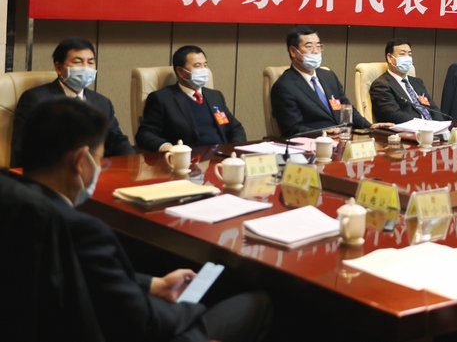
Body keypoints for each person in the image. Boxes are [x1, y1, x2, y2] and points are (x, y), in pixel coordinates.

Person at [16, 97, 271, 342]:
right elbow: (145, 322)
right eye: (101, 160)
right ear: (81, 162)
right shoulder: (84, 231)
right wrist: (194, 309)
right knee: (257, 302)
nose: (100, 167)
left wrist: (152, 284)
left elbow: (89, 273)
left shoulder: (15, 203)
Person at [12, 37, 134, 165]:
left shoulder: (102, 102)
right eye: (78, 62)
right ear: (58, 68)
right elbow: (23, 148)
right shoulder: (36, 99)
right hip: (53, 171)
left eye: (90, 62)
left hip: (96, 171)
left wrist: (132, 164)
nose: (86, 68)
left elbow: (117, 141)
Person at [271, 26, 391, 136]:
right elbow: (292, 129)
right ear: (293, 51)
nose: (316, 51)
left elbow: (346, 108)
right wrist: (322, 133)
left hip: (343, 140)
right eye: (309, 46)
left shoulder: (328, 76)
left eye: (318, 46)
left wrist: (370, 126)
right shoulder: (284, 87)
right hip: (315, 145)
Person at [135, 45, 246, 152]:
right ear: (180, 71)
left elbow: (236, 128)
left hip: (222, 157)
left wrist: (233, 149)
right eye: (197, 66)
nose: (204, 70)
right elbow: (144, 134)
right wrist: (165, 147)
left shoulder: (215, 96)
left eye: (205, 65)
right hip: (188, 159)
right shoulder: (162, 99)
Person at [369, 38, 447, 124]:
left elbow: (433, 109)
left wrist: (442, 125)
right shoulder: (381, 85)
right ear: (390, 58)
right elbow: (393, 115)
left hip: (432, 129)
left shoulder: (417, 82)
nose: (407, 58)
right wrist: (424, 124)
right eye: (402, 54)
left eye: (410, 54)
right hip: (409, 129)